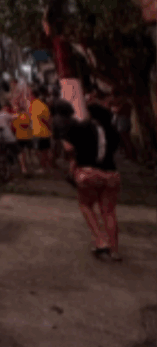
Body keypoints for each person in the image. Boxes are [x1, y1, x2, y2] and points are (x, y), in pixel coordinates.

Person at [59, 102, 123, 261]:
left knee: (86, 205)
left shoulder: (82, 127)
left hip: (88, 173)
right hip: (111, 174)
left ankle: (101, 241)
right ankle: (114, 250)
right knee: (109, 211)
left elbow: (68, 148)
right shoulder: (113, 131)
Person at [30, 86, 53, 172]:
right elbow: (48, 119)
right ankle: (47, 166)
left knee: (40, 152)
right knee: (46, 151)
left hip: (39, 132)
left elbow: (43, 119)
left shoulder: (35, 105)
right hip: (44, 131)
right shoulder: (43, 105)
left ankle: (44, 168)